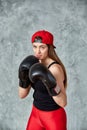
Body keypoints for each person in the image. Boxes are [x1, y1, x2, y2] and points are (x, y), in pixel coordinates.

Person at [18, 30, 67, 130]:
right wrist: (22, 76)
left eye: (42, 47)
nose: (37, 52)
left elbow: (63, 102)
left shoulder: (55, 69)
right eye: (35, 46)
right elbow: (22, 95)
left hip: (53, 117)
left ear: (49, 48)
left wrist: (51, 83)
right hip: (36, 114)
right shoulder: (32, 64)